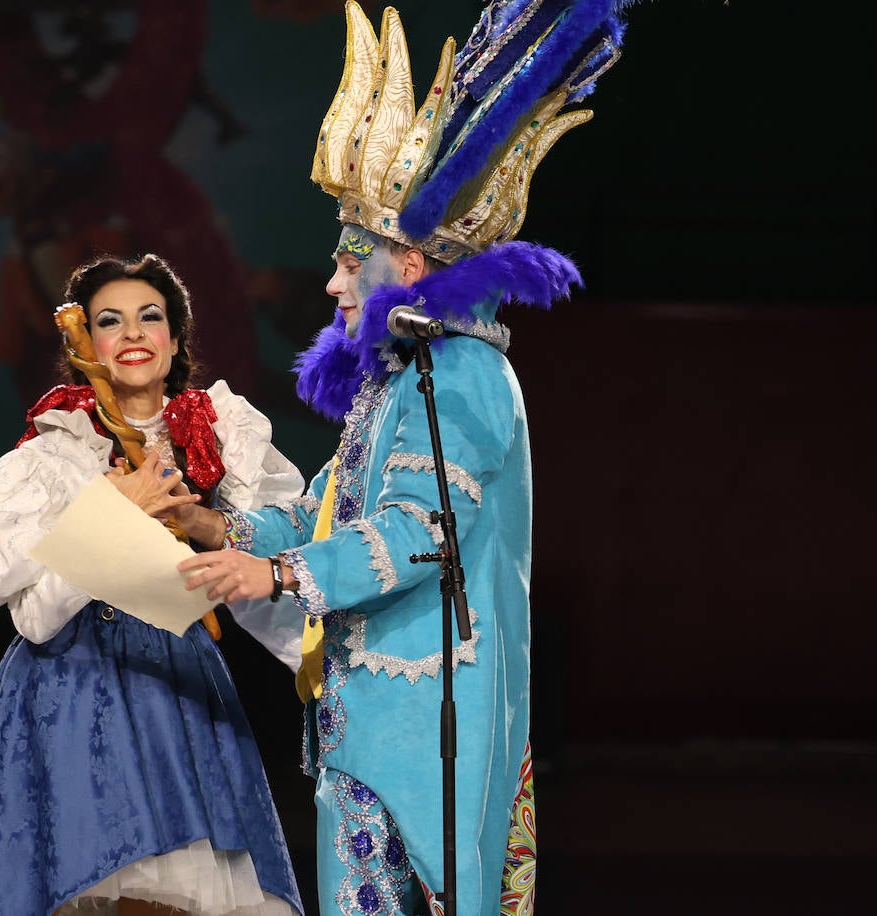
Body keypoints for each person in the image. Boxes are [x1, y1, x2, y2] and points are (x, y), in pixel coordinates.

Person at [177, 2, 636, 913]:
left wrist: (272, 572)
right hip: (364, 725)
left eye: (354, 260)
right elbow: (322, 520)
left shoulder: (460, 374)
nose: (333, 282)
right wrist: (217, 523)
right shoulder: (396, 383)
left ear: (412, 269)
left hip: (432, 727)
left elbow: (422, 536)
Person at [0, 253, 306, 915]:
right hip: (72, 691)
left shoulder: (221, 433)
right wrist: (120, 512)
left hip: (180, 691)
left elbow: (286, 560)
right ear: (85, 343)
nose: (134, 332)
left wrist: (206, 523)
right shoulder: (56, 454)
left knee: (184, 896)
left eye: (151, 316)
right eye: (110, 321)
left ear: (176, 339)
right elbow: (36, 619)